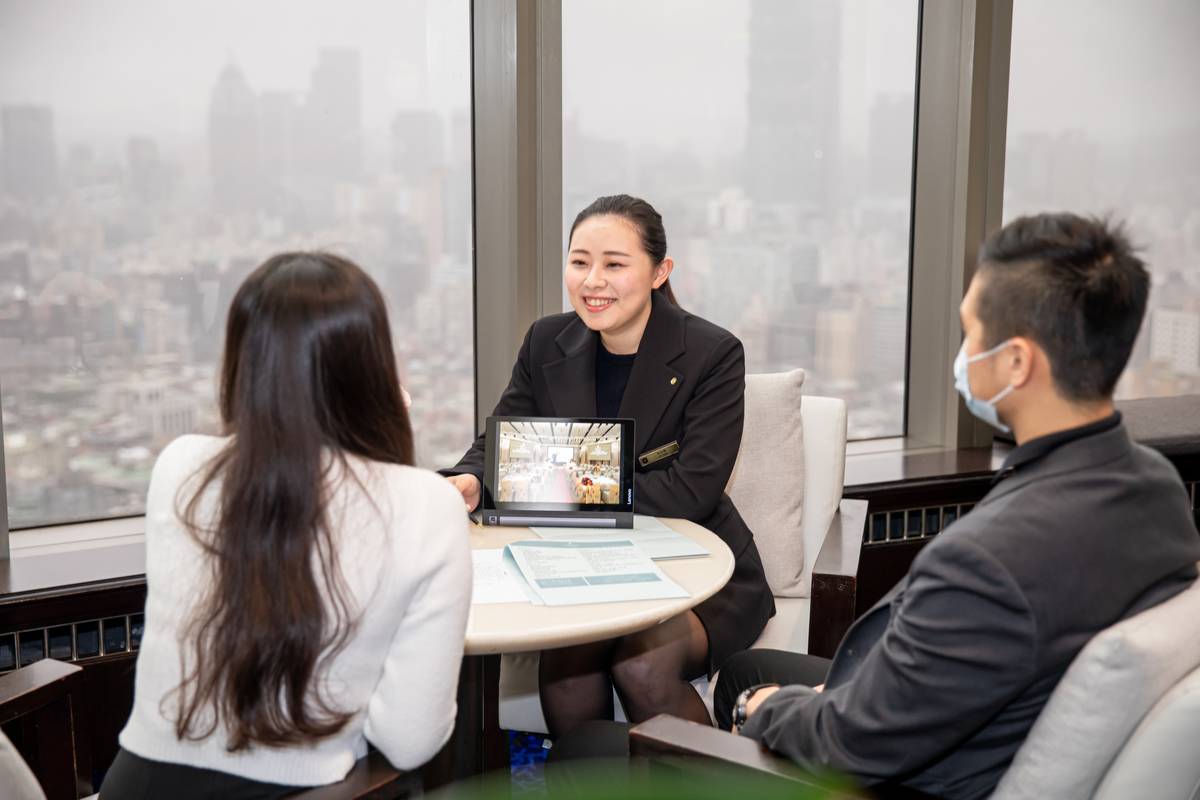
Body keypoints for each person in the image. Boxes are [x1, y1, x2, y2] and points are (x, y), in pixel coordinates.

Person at [718, 213, 1200, 800]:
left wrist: (760, 710)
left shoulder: (987, 563)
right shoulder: (1157, 485)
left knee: (620, 734)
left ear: (1018, 362)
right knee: (748, 663)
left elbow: (855, 745)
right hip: (976, 713)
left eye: (971, 333)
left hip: (924, 772)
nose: (963, 353)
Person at [102, 253, 472, 798]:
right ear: (372, 367)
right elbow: (409, 741)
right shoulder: (424, 505)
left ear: (243, 362)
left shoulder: (180, 467)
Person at [442, 194, 774, 735]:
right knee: (565, 668)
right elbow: (502, 441)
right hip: (578, 560)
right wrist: (473, 480)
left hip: (696, 567)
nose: (593, 280)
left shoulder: (711, 353)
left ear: (659, 272)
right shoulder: (546, 340)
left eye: (615, 264)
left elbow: (693, 490)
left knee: (640, 664)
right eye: (580, 262)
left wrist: (552, 482)